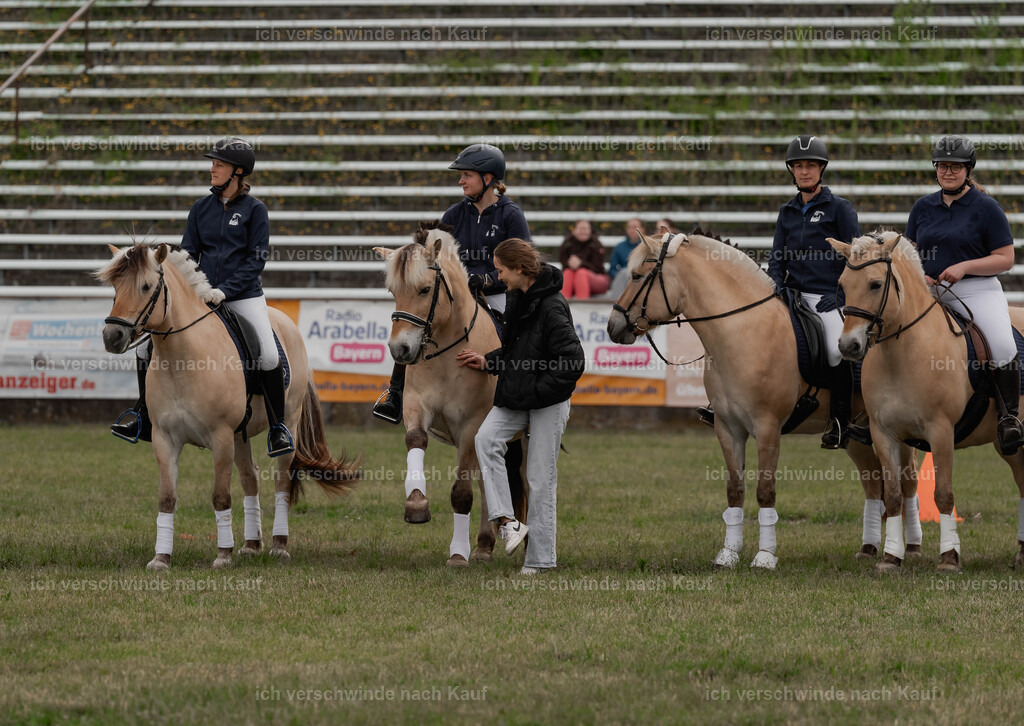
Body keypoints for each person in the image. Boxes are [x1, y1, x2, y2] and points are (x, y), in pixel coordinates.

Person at [111, 137, 293, 457]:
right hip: (202, 298)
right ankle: (141, 415)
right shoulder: (200, 208)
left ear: (238, 172)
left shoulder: (255, 210)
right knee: (144, 352)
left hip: (242, 297)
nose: (212, 168)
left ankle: (278, 427)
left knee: (266, 354)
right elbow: (188, 255)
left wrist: (226, 290)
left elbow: (256, 261)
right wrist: (196, 289)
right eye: (213, 163)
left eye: (218, 164)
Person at [697, 135, 861, 449]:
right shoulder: (787, 211)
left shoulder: (840, 208)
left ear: (821, 169)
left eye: (810, 165)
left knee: (834, 347)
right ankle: (726, 407)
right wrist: (773, 287)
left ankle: (840, 420)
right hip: (790, 295)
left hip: (825, 296)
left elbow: (856, 257)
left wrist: (841, 297)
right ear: (792, 171)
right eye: (798, 166)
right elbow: (777, 257)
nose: (804, 171)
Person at [372, 143, 530, 424]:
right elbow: (433, 258)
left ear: (488, 179)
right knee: (416, 322)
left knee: (520, 334)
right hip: (456, 292)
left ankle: (522, 398)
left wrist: (489, 279)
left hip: (498, 293)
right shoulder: (453, 215)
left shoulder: (511, 215)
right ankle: (394, 393)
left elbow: (522, 264)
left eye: (466, 175)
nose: (461, 181)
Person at [456, 238, 585, 575]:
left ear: (519, 269)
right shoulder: (516, 296)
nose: (497, 277)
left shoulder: (553, 306)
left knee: (540, 479)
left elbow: (572, 362)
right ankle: (508, 522)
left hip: (548, 401)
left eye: (501, 270)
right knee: (485, 440)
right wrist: (488, 361)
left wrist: (538, 392)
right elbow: (518, 352)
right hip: (519, 395)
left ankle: (541, 561)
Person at [906, 135, 1023, 454]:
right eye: (942, 166)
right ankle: (875, 411)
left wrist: (964, 267)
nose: (948, 172)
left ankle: (1009, 418)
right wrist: (920, 273)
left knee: (1002, 343)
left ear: (967, 169)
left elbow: (1005, 258)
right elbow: (910, 250)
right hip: (931, 290)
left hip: (977, 289)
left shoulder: (986, 207)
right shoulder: (923, 207)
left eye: (955, 167)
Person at [559, 219, 610, 299]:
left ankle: (582, 307)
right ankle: (562, 306)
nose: (583, 231)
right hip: (572, 277)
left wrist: (581, 264)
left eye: (585, 229)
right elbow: (563, 263)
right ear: (574, 231)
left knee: (581, 273)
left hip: (597, 278)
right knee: (567, 273)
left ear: (590, 231)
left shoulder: (596, 244)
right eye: (580, 229)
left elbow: (598, 267)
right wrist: (570, 264)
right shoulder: (567, 244)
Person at [606, 217, 645, 298]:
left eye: (634, 227)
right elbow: (612, 269)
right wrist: (622, 274)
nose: (631, 230)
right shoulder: (619, 247)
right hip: (624, 280)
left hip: (643, 279)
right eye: (629, 227)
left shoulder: (647, 247)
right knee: (624, 272)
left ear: (642, 229)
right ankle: (616, 304)